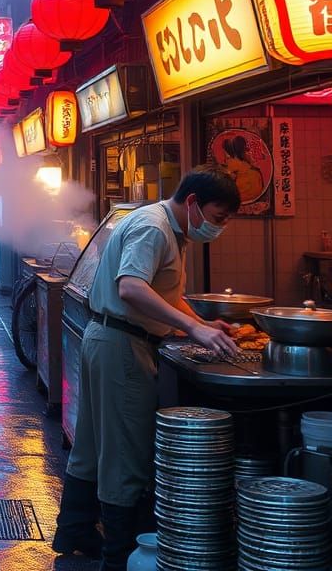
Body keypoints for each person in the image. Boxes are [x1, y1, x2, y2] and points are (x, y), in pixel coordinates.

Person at [53, 166, 242, 569]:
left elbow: (162, 293)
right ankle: (119, 556)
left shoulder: (170, 229)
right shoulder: (155, 228)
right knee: (125, 454)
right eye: (218, 216)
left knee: (91, 444)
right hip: (122, 345)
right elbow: (132, 287)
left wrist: (203, 326)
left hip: (106, 338)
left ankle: (75, 531)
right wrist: (192, 326)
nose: (219, 227)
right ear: (193, 202)